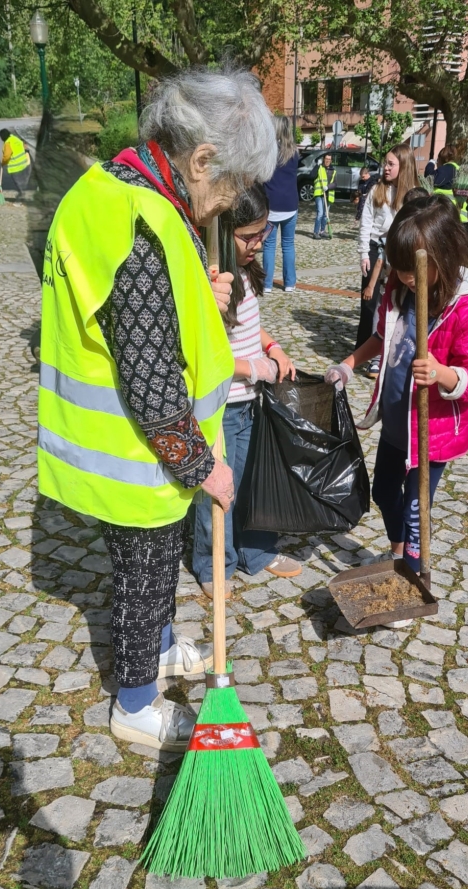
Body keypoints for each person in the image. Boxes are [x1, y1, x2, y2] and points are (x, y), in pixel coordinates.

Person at [38, 66, 278, 750]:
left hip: (142, 450)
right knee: (143, 574)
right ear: (200, 161)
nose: (228, 202)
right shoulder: (142, 223)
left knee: (157, 564)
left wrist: (197, 290)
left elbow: (144, 317)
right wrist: (205, 468)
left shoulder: (121, 189)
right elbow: (149, 381)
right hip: (134, 454)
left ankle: (164, 644)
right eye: (231, 183)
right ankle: (136, 703)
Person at [326, 194, 468, 581]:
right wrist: (349, 365)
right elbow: (381, 337)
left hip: (430, 432)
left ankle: (413, 580)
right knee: (384, 492)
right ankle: (399, 552)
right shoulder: (399, 289)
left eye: (410, 269)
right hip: (396, 424)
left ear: (443, 255)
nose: (403, 276)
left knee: (416, 511)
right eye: (398, 268)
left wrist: (442, 374)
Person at [192, 185, 301, 596]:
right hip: (221, 407)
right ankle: (213, 565)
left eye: (263, 233)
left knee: (252, 481)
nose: (258, 243)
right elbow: (203, 352)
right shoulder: (211, 281)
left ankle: (255, 552)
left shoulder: (246, 272)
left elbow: (248, 327)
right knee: (219, 490)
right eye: (249, 236)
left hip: (249, 403)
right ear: (223, 233)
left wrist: (272, 348)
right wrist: (251, 367)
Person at [356, 143, 420, 367]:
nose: (386, 167)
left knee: (396, 299)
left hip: (399, 249)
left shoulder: (413, 192)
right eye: (385, 163)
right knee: (369, 301)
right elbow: (366, 223)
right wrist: (364, 253)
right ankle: (362, 350)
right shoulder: (377, 189)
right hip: (376, 247)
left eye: (391, 164)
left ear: (404, 166)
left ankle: (391, 349)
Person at [262, 115, 300, 293]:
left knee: (269, 246)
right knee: (288, 245)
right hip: (290, 204)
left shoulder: (268, 152)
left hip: (271, 204)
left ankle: (267, 284)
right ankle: (289, 283)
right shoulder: (294, 152)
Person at [0, 128, 32, 196]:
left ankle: (21, 195)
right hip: (24, 164)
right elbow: (24, 146)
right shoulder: (15, 138)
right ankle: (23, 193)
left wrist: (3, 162)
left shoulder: (8, 143)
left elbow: (7, 156)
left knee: (18, 182)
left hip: (16, 167)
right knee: (24, 180)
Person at [313, 153, 336, 239]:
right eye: (326, 159)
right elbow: (312, 176)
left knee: (325, 215)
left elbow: (335, 183)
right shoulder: (319, 168)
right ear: (323, 159)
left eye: (329, 159)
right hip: (319, 194)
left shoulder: (333, 170)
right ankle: (316, 232)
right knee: (320, 213)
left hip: (328, 195)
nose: (327, 161)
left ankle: (322, 231)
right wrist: (316, 166)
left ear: (331, 160)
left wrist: (328, 187)